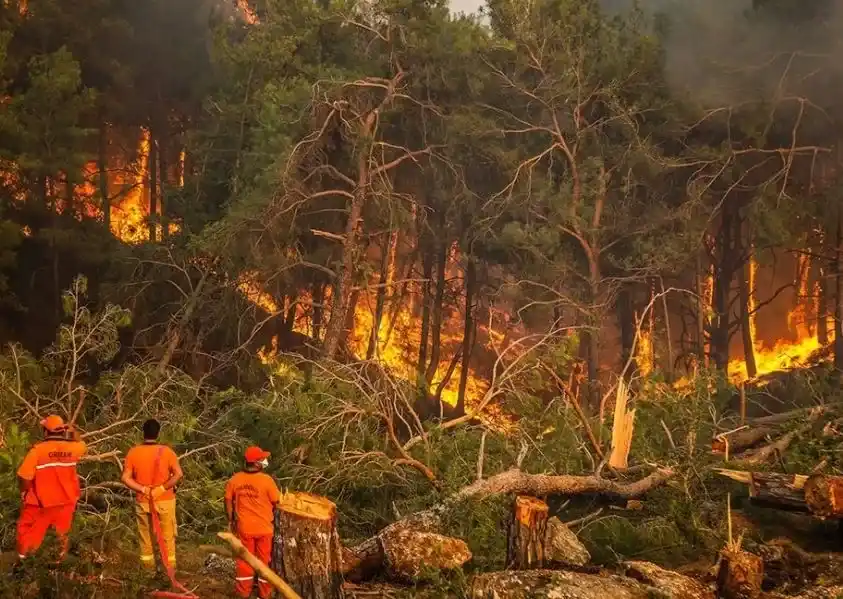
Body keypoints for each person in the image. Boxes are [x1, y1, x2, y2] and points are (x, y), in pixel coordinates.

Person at [16, 414, 87, 562]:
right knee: (61, 535)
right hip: (66, 501)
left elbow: (24, 476)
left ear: (46, 432)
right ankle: (57, 565)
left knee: (28, 532)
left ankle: (24, 565)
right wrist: (72, 430)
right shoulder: (74, 448)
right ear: (62, 431)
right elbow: (82, 443)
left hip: (41, 502)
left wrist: (24, 491)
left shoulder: (37, 451)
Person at [121, 418, 183, 570]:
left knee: (145, 539)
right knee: (167, 538)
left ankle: (147, 574)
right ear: (158, 433)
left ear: (143, 433)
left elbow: (125, 478)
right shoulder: (167, 452)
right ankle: (170, 573)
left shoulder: (133, 452)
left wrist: (143, 489)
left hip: (143, 501)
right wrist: (161, 489)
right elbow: (178, 475)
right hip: (165, 501)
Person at [225, 446, 282, 599]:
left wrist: (230, 520)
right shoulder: (267, 481)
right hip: (264, 529)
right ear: (257, 463)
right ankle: (264, 594)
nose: (265, 461)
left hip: (244, 529)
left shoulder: (235, 479)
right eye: (262, 458)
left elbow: (228, 500)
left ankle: (243, 593)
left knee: (244, 562)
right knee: (264, 563)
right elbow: (277, 501)